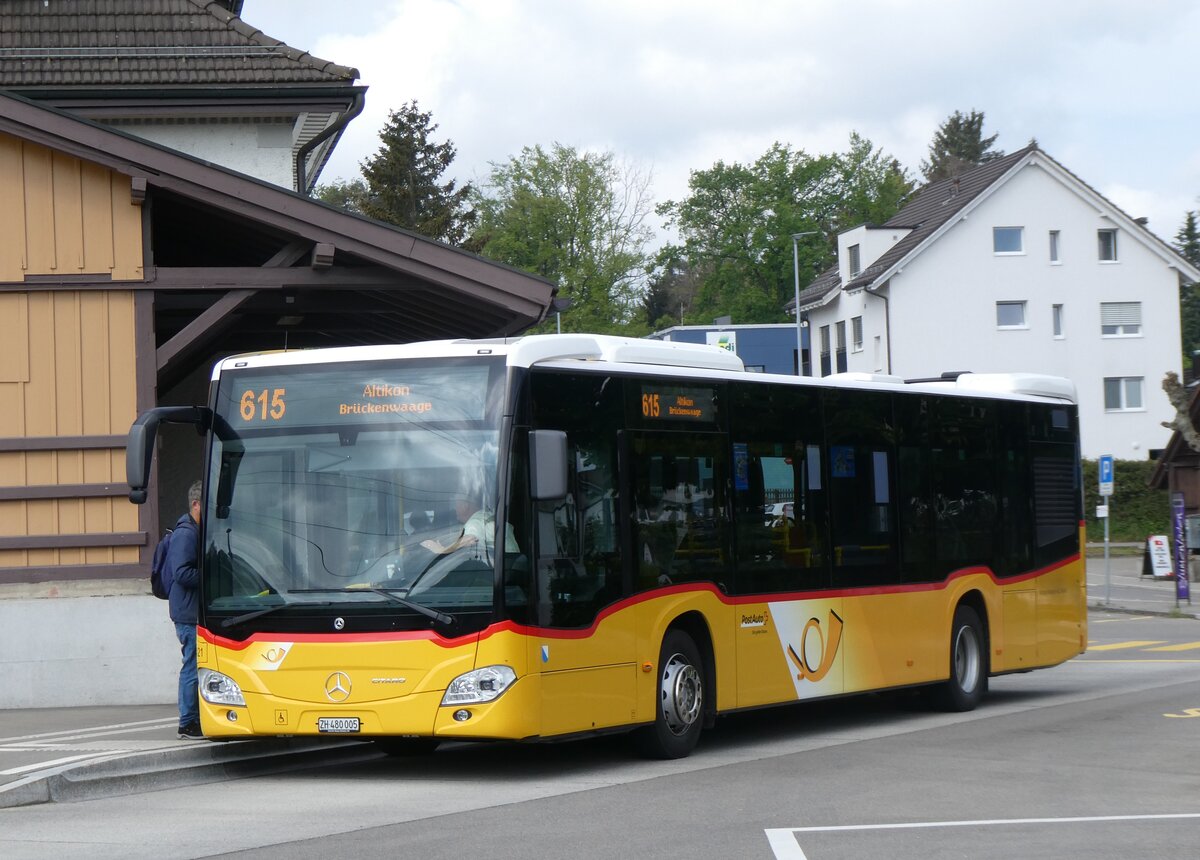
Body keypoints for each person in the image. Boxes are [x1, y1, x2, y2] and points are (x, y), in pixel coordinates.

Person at [164, 480, 203, 740]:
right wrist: (210, 577)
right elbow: (182, 573)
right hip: (188, 614)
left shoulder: (192, 530)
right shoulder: (186, 534)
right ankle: (187, 722)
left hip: (190, 611)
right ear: (196, 504)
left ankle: (194, 719)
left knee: (195, 664)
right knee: (192, 665)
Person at [421, 491, 518, 558]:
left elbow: (470, 539)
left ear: (465, 506)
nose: (455, 508)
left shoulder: (475, 522)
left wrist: (442, 550)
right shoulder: (489, 516)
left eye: (456, 504)